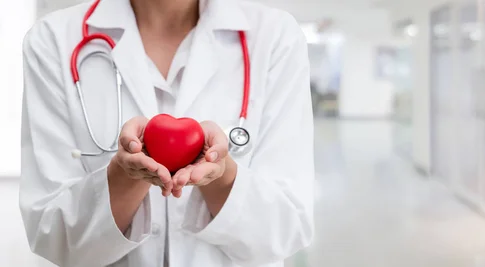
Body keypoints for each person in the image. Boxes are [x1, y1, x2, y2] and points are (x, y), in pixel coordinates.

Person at [19, 0, 315, 266]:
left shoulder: (275, 37)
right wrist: (126, 175)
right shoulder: (54, 40)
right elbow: (54, 237)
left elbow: (286, 231)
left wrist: (221, 176)